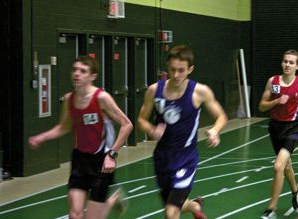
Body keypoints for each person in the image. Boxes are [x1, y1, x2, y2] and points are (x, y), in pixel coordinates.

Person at [29, 56, 133, 219]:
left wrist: (112, 155)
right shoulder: (69, 99)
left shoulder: (101, 98)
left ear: (93, 76)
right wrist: (41, 137)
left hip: (101, 161)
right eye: (74, 70)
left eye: (82, 71)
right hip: (80, 161)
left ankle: (112, 199)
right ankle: (111, 199)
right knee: (75, 214)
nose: (77, 74)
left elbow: (127, 124)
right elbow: (64, 127)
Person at [137, 45, 228, 219]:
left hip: (186, 158)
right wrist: (151, 129)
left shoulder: (199, 92)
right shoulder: (154, 91)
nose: (176, 75)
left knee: (171, 212)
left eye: (181, 70)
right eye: (172, 70)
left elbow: (221, 116)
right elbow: (141, 119)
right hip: (162, 157)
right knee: (172, 205)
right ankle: (194, 206)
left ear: (190, 69)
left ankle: (192, 206)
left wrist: (215, 131)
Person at [258, 50, 298, 219]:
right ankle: (296, 191)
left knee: (278, 166)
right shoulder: (273, 82)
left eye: (291, 62)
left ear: (297, 66)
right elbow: (261, 106)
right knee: (286, 165)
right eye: (285, 61)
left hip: (293, 129)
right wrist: (275, 101)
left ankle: (271, 209)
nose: (287, 65)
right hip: (275, 127)